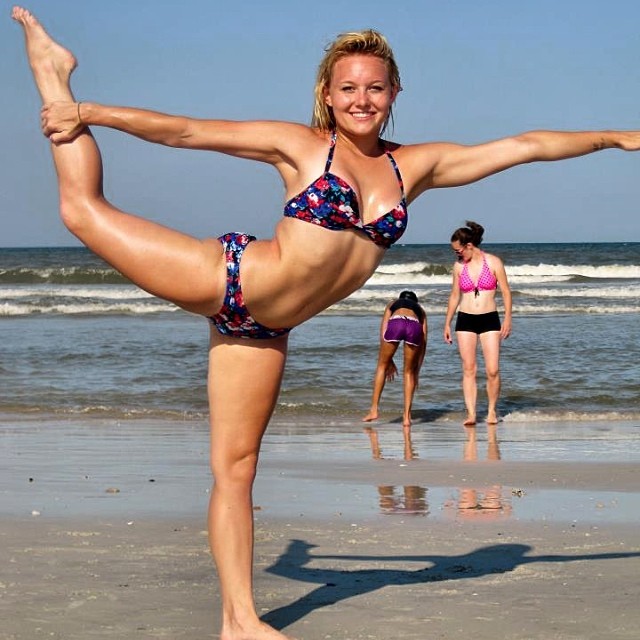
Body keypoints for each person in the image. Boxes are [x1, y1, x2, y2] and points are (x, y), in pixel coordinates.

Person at [12, 6, 640, 639]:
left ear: (395, 92)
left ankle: (239, 623)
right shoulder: (302, 146)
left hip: (262, 330)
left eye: (374, 87)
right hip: (228, 277)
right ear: (327, 94)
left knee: (236, 468)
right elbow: (185, 132)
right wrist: (88, 112)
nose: (361, 99)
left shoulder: (413, 167)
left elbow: (525, 147)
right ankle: (53, 76)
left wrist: (617, 137)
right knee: (81, 210)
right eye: (348, 88)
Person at [443, 221, 512, 426]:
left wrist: (508, 318)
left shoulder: (493, 262)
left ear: (469, 246)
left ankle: (491, 411)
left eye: (458, 250)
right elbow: (455, 295)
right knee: (469, 369)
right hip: (465, 319)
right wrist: (447, 323)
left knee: (492, 370)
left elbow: (506, 292)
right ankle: (472, 414)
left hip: (489, 318)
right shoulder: (458, 267)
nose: (457, 255)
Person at [362, 290, 427, 428]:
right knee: (409, 372)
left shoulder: (392, 304)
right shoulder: (420, 310)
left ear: (400, 299)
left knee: (381, 366)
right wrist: (418, 369)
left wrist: (388, 359)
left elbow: (384, 330)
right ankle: (407, 417)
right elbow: (424, 339)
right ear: (415, 302)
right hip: (414, 325)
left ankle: (374, 410)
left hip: (396, 322)